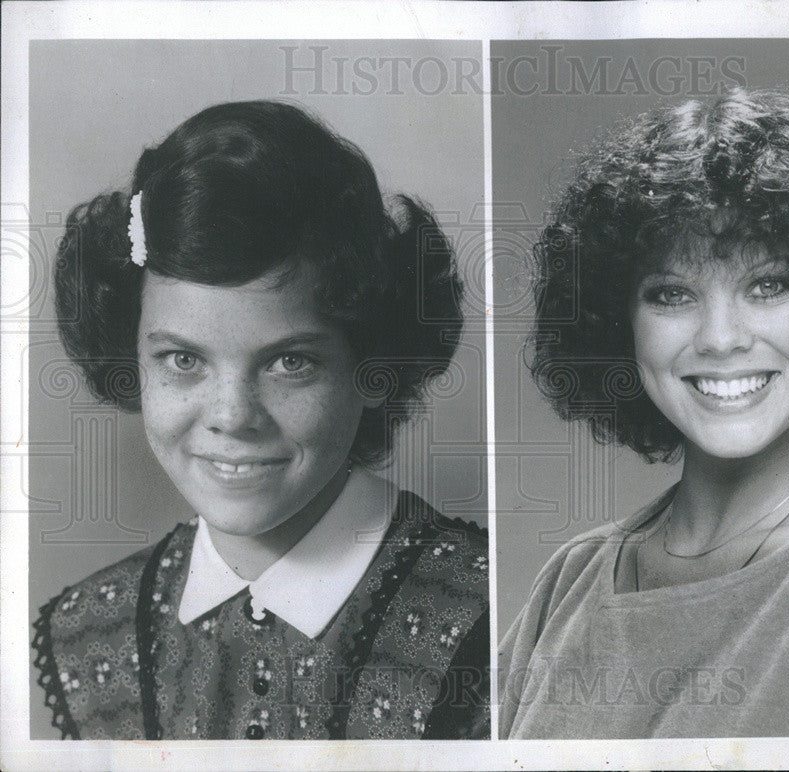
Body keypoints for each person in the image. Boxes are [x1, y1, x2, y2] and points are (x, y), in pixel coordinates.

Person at [499, 89, 789, 738]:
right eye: (672, 293)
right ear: (619, 325)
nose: (720, 338)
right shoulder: (567, 586)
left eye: (768, 284)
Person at [32, 100, 489, 740]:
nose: (232, 416)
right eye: (183, 359)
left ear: (373, 364)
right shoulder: (89, 636)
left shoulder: (498, 622)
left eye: (290, 362)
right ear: (129, 357)